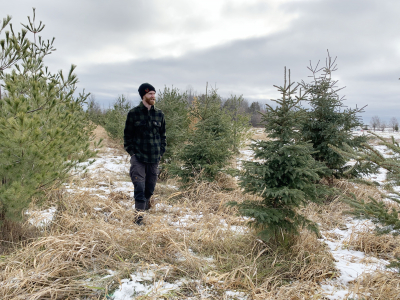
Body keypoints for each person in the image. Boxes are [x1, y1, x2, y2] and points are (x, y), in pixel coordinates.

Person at [123, 83, 166, 225]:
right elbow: (127, 137)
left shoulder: (159, 114)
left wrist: (161, 152)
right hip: (139, 158)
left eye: (154, 93)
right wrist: (133, 153)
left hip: (154, 158)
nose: (153, 96)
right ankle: (138, 219)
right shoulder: (133, 114)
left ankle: (144, 207)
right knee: (139, 187)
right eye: (150, 94)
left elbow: (163, 136)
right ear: (143, 96)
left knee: (149, 188)